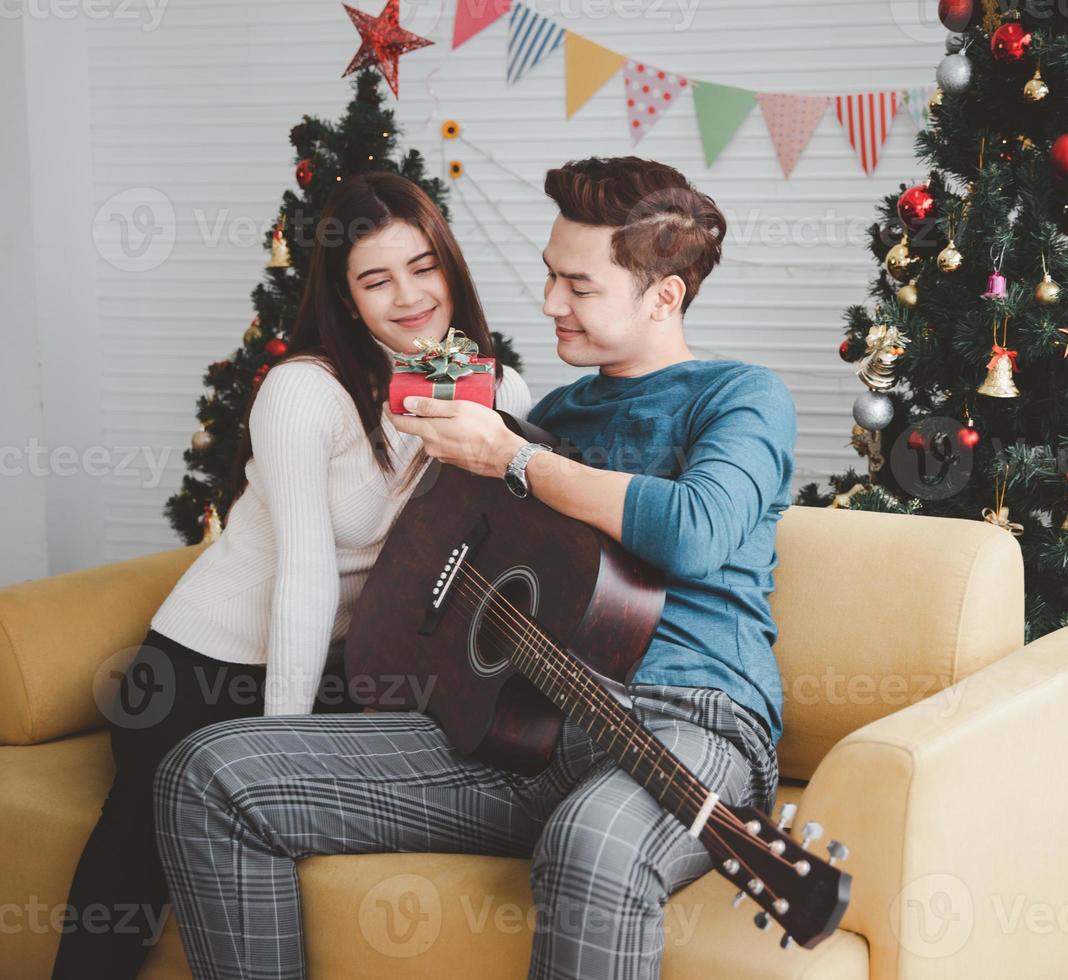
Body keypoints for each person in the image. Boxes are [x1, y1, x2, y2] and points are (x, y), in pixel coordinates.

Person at [150, 156, 796, 980]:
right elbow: (443, 568)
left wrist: (514, 458)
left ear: (663, 295)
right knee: (210, 773)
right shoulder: (544, 412)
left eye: (580, 286)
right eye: (548, 276)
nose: (548, 302)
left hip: (685, 723)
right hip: (518, 731)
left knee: (590, 844)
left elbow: (698, 529)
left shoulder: (740, 396)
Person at [51, 172, 532, 980]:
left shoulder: (499, 391)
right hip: (199, 671)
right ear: (345, 300)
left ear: (451, 268)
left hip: (344, 669)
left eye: (424, 267)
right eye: (376, 279)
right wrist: (274, 750)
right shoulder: (305, 390)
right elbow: (307, 578)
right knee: (134, 866)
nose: (410, 296)